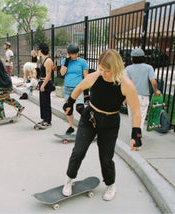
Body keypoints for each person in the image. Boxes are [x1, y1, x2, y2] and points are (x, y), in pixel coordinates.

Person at [62, 49, 142, 201]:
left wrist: (136, 134)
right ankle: (69, 179)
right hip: (90, 118)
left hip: (110, 123)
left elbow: (136, 110)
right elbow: (79, 87)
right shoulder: (95, 76)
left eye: (107, 71)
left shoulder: (126, 84)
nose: (103, 73)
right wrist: (69, 103)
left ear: (117, 68)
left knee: (106, 159)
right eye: (101, 69)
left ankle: (111, 185)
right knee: (78, 151)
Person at [124, 47, 161, 130]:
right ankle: (137, 137)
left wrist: (125, 97)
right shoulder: (149, 68)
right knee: (140, 118)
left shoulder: (128, 69)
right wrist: (156, 90)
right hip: (143, 97)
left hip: (131, 97)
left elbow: (126, 84)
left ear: (132, 58)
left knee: (132, 118)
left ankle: (133, 136)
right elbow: (153, 82)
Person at [60, 43, 89, 134]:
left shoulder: (82, 62)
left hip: (78, 89)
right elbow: (62, 73)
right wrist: (67, 61)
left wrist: (86, 92)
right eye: (72, 54)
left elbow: (86, 77)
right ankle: (71, 126)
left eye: (76, 53)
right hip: (67, 88)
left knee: (80, 108)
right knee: (68, 109)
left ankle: (89, 125)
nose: (75, 55)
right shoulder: (65, 61)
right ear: (69, 53)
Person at [37, 43, 55, 127]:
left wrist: (43, 85)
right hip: (42, 82)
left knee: (46, 102)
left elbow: (48, 75)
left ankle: (48, 120)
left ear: (40, 50)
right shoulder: (43, 59)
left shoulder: (48, 61)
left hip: (46, 84)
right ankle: (44, 119)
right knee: (42, 102)